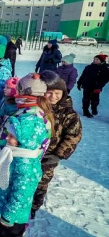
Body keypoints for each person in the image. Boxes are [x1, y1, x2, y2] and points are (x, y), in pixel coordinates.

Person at [31, 71, 82, 218]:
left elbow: (73, 136)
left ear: (63, 93)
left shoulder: (69, 114)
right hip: (31, 152)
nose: (53, 96)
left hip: (49, 156)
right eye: (49, 92)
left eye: (57, 93)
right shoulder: (36, 108)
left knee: (41, 182)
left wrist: (58, 155)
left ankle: (34, 206)